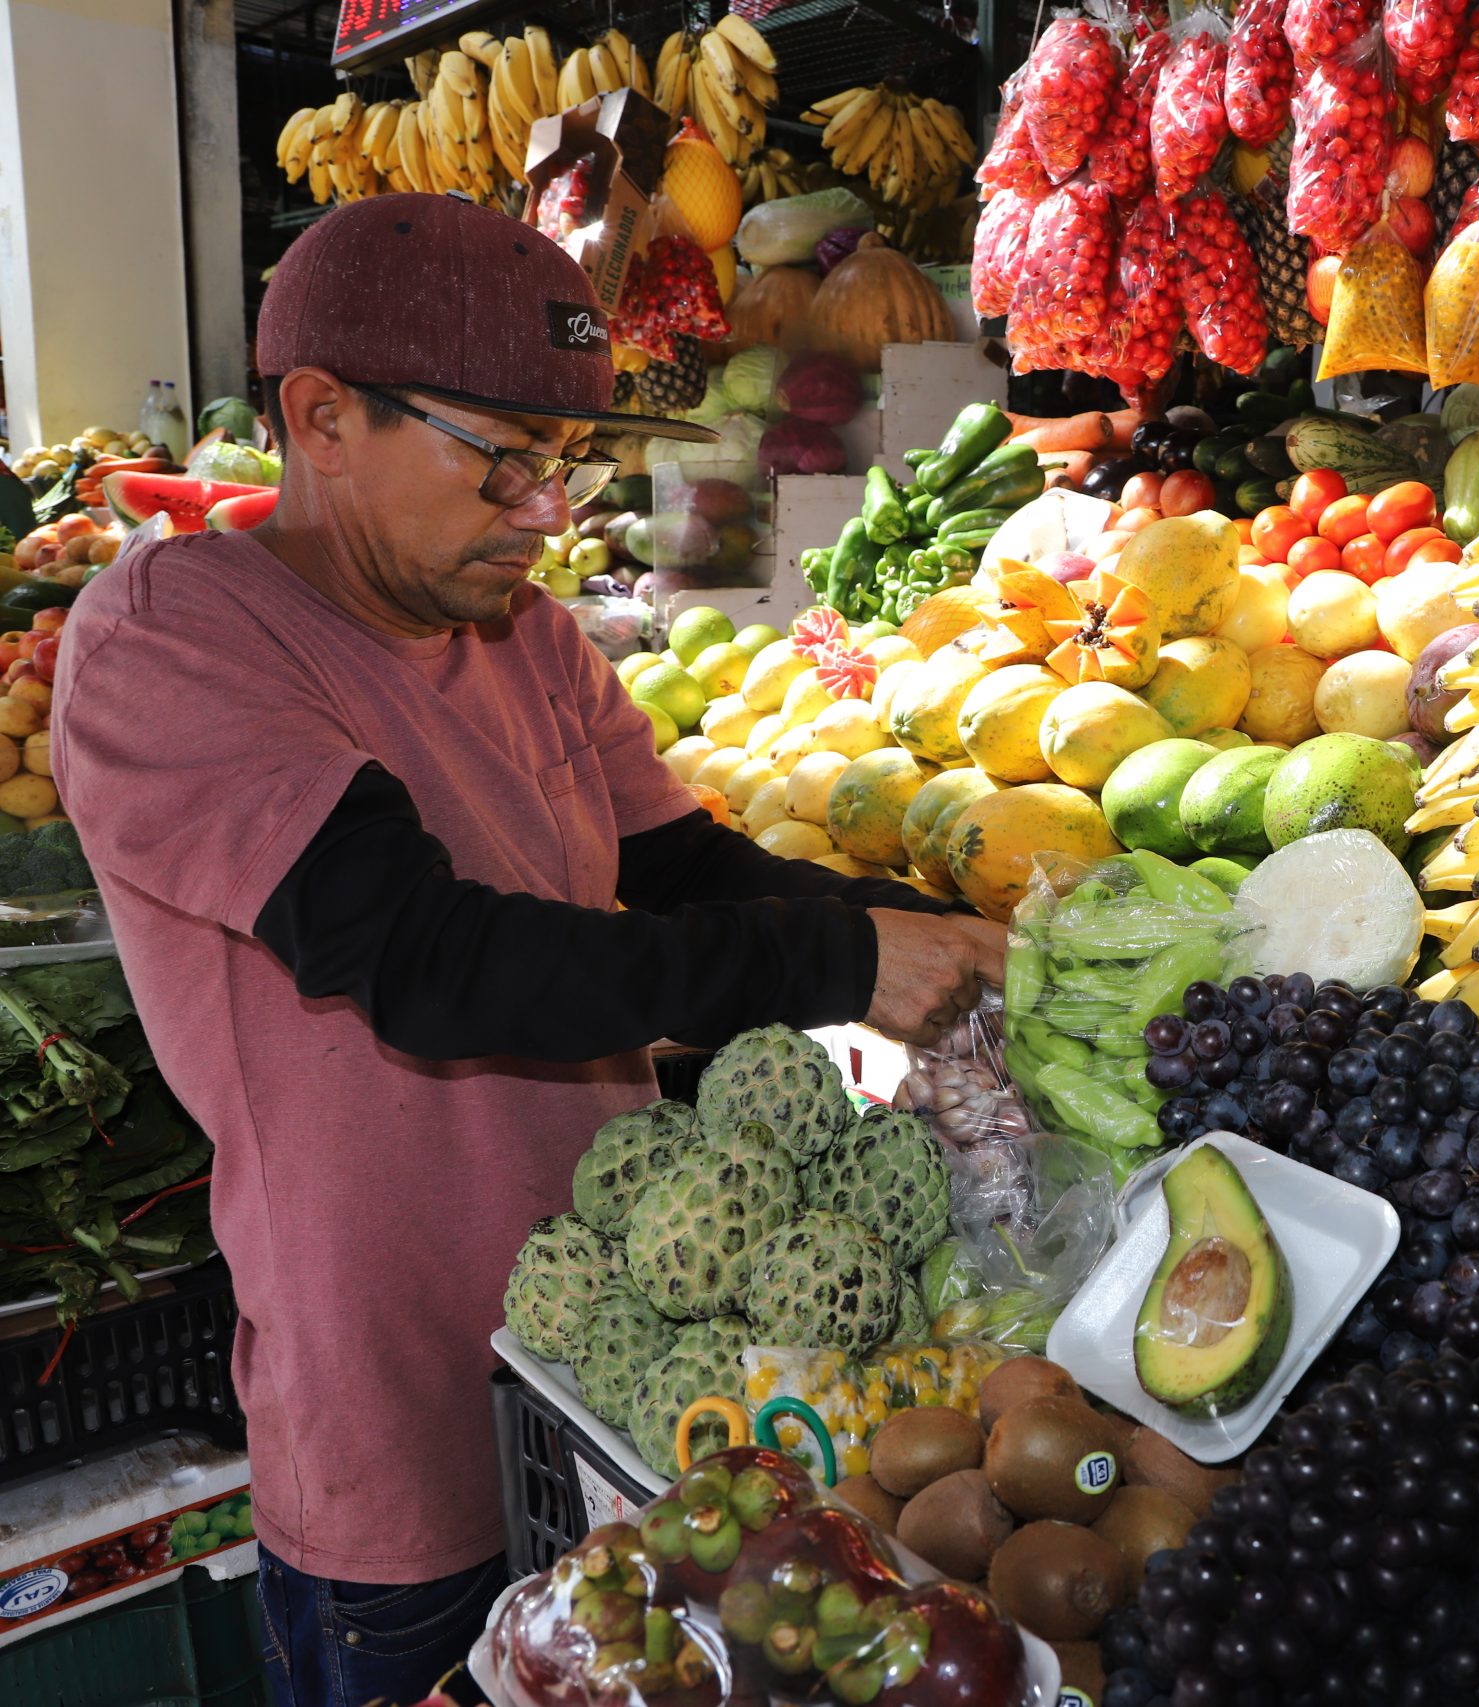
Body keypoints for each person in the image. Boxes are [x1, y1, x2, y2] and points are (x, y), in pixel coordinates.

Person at [49, 193, 1008, 1707]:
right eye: (501, 457)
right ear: (322, 417)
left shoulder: (530, 640)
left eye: (562, 464)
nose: (544, 511)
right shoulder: (171, 642)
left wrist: (903, 930)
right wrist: (830, 967)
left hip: (627, 1398)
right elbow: (428, 964)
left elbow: (684, 869)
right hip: (404, 1453)